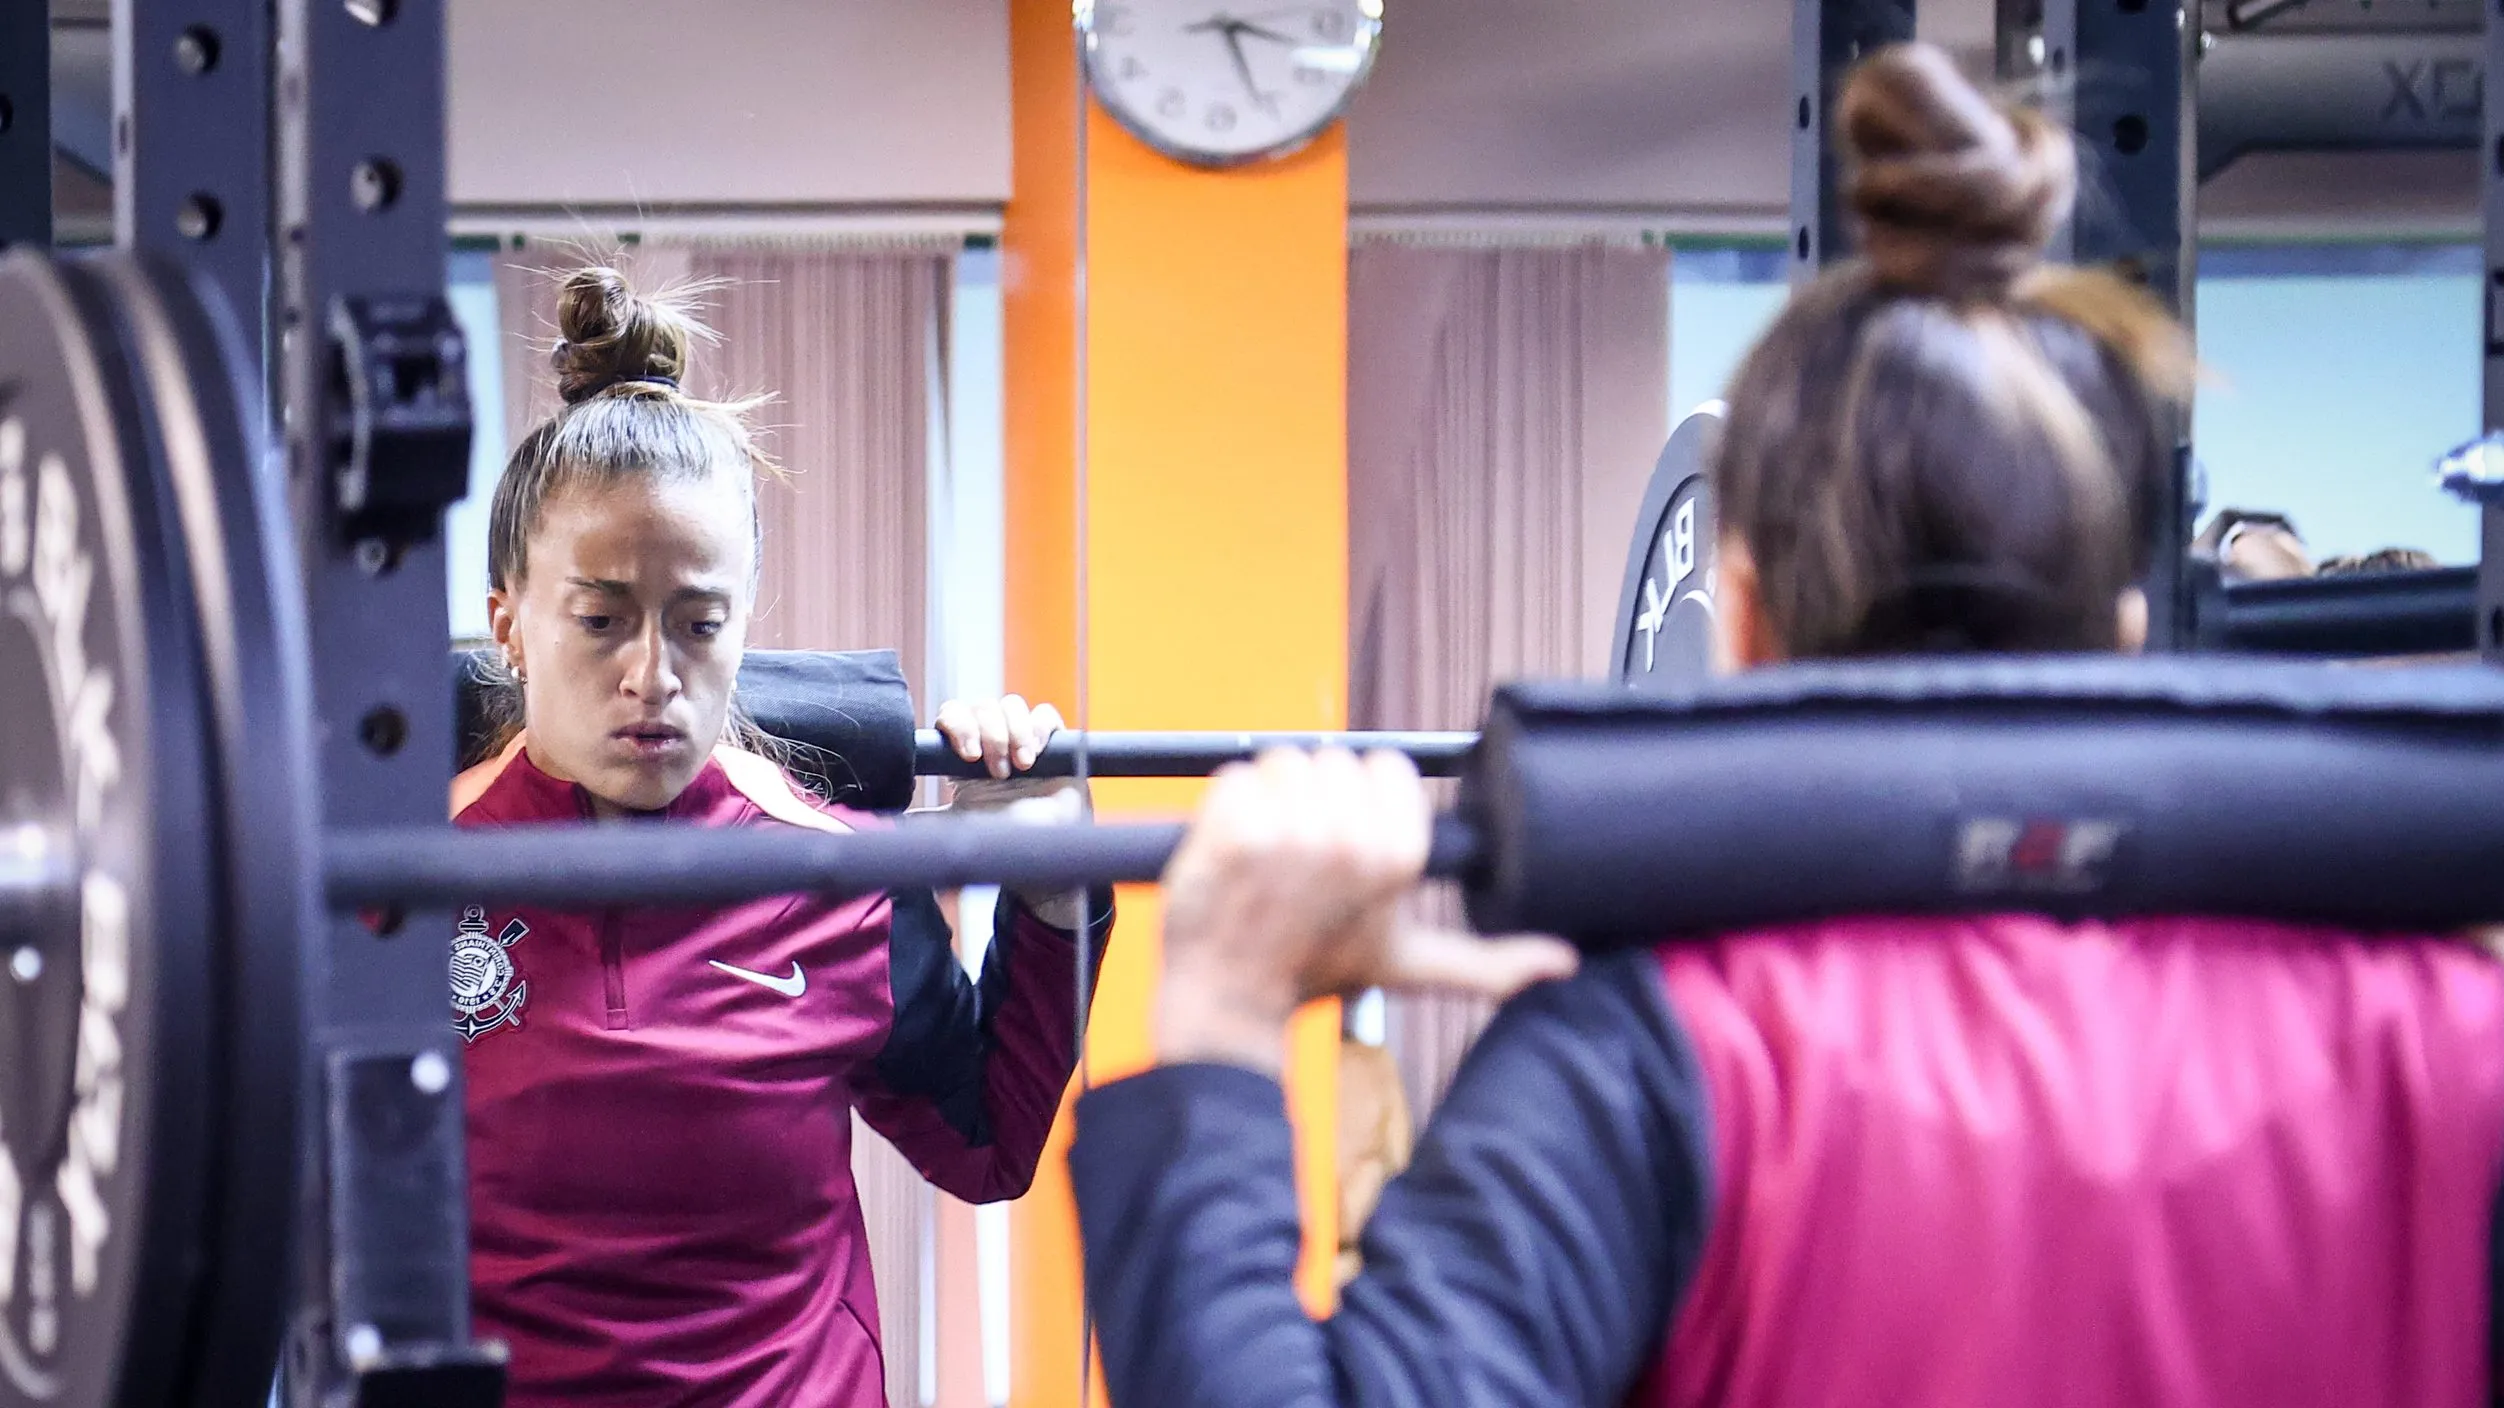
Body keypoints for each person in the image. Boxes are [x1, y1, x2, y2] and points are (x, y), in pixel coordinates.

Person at [1067, 43, 2504, 1408]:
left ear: (1738, 620)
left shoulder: (1644, 1063)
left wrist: (1224, 1016)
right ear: (2127, 625)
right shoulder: (2456, 1049)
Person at [450, 265, 1111, 1407]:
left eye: (698, 623)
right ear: (508, 616)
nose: (652, 675)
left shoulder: (837, 872)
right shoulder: (398, 878)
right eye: (600, 618)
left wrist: (1052, 890)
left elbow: (989, 1146)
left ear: (744, 621)